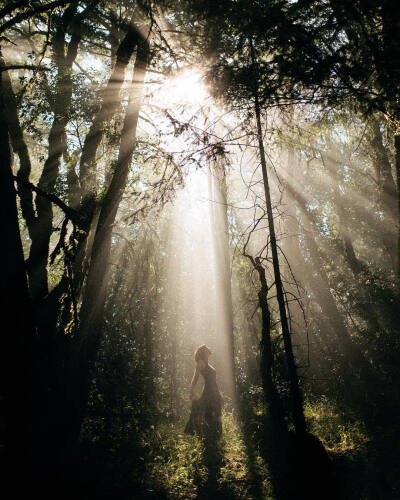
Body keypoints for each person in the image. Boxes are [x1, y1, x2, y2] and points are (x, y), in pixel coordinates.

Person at [184, 344, 222, 437]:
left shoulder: (206, 361)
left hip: (213, 389)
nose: (209, 348)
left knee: (213, 409)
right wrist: (192, 391)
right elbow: (195, 377)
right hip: (209, 390)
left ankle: (212, 433)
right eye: (207, 347)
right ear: (204, 351)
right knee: (208, 409)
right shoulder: (201, 362)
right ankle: (206, 434)